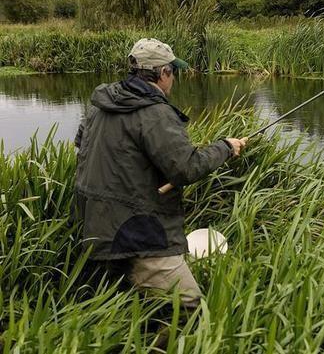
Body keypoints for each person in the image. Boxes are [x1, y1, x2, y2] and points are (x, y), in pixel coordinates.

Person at [74, 38, 246, 325]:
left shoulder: (100, 105)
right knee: (189, 312)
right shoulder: (154, 112)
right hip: (136, 231)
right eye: (173, 72)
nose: (174, 78)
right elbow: (186, 169)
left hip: (92, 221)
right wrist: (226, 147)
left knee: (123, 309)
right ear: (163, 73)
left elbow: (83, 148)